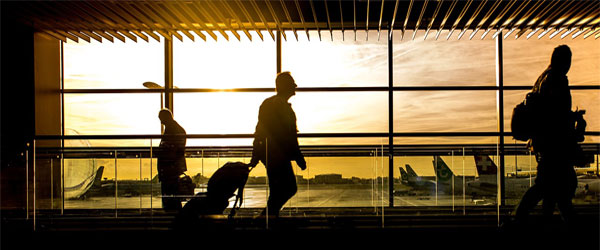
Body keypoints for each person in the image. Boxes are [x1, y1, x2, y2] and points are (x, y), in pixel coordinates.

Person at [514, 45, 583, 226]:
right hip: (555, 145)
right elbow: (555, 115)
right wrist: (572, 119)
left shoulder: (543, 79)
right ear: (564, 61)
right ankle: (520, 219)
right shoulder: (556, 80)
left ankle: (529, 221)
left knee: (550, 188)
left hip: (545, 144)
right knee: (557, 187)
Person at [250, 72, 307, 217]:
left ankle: (268, 217)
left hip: (270, 153)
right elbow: (289, 136)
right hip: (278, 155)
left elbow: (260, 130)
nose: (295, 86)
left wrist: (256, 154)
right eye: (292, 83)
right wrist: (298, 156)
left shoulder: (269, 104)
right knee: (288, 188)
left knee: (278, 189)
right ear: (285, 86)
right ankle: (267, 217)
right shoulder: (282, 107)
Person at [157, 109, 187, 211]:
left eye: (161, 119)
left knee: (170, 195)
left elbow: (173, 149)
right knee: (173, 196)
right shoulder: (176, 129)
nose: (161, 122)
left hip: (170, 168)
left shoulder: (172, 130)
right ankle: (174, 216)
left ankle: (171, 217)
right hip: (172, 167)